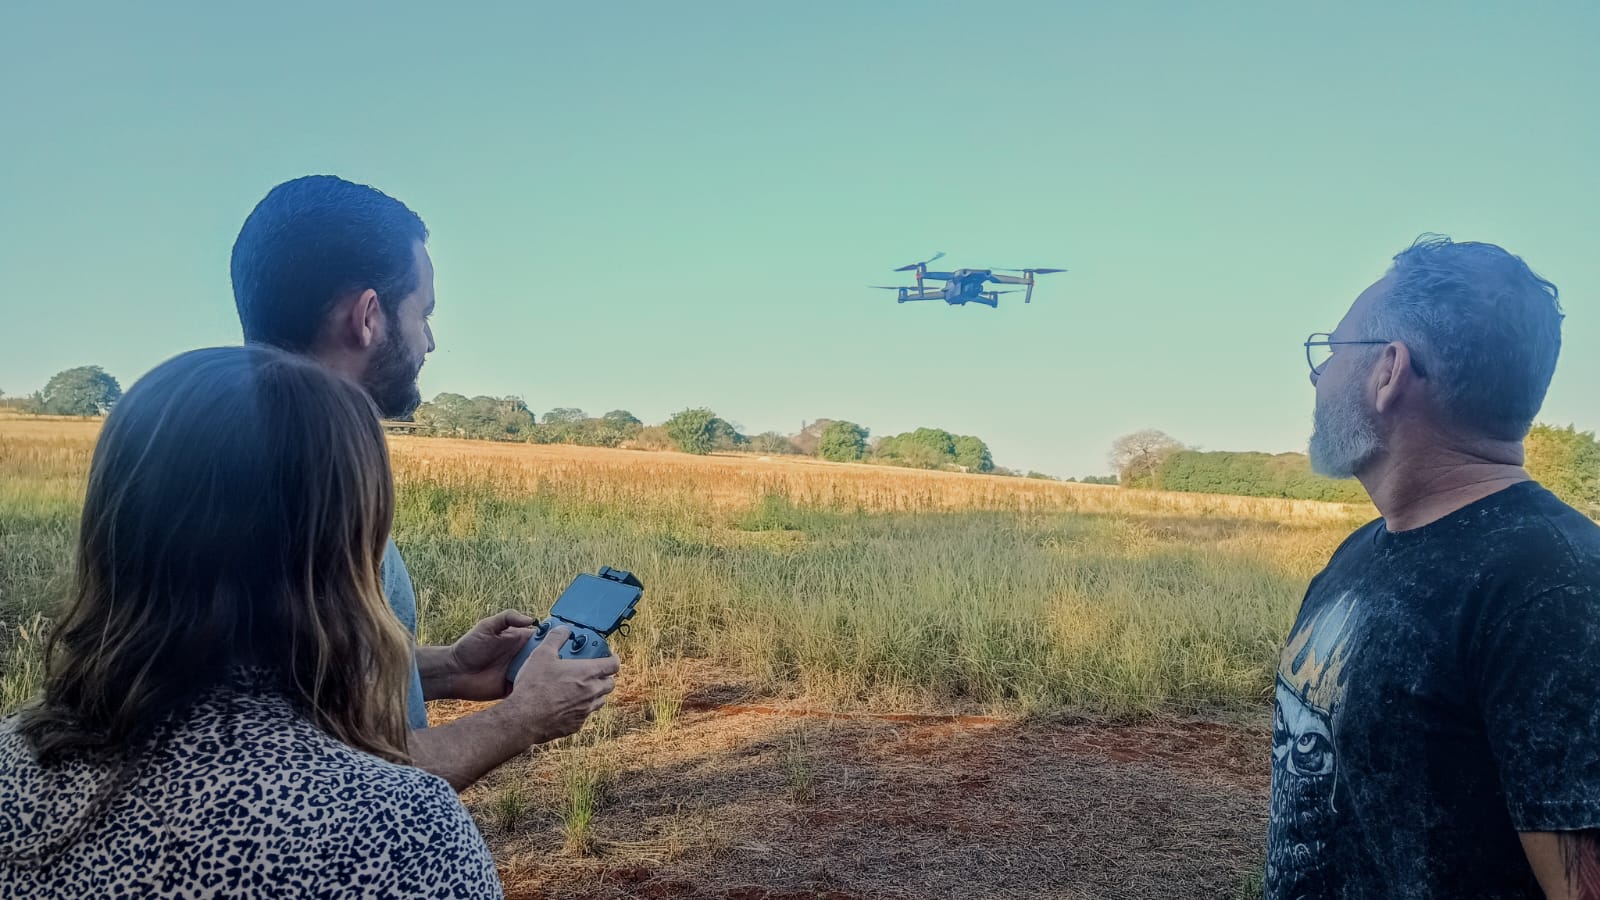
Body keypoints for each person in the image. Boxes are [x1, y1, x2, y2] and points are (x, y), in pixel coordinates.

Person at [0, 346, 504, 897]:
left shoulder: (10, 766)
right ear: (346, 556)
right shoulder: (404, 835)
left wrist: (452, 667)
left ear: (113, 530)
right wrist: (522, 717)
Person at [230, 175, 619, 790]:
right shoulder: (302, 496)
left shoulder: (231, 454)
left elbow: (288, 693)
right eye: (424, 312)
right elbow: (337, 779)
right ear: (368, 317)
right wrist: (521, 718)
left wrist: (450, 670)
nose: (430, 340)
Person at [1270, 236, 1600, 898]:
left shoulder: (1557, 591)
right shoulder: (1365, 548)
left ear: (1388, 371)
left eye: (1332, 353)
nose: (1319, 378)